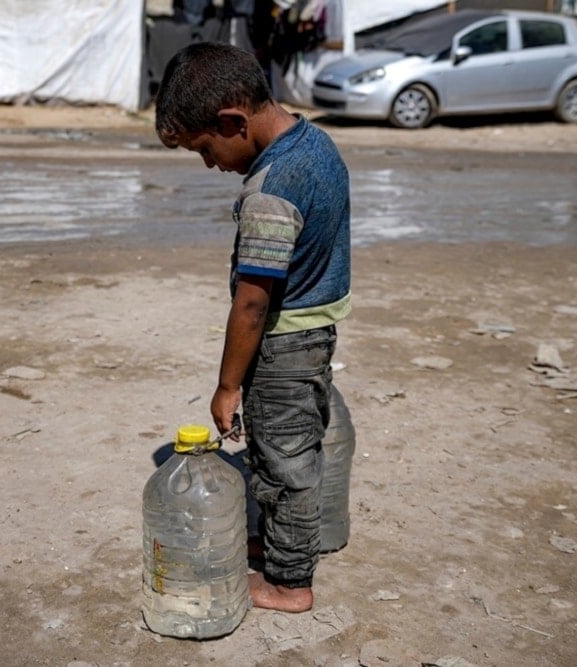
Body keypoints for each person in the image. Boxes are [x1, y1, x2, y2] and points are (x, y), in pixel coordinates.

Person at [154, 42, 351, 613]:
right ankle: (276, 543)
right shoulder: (316, 145)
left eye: (206, 149)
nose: (210, 164)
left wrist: (227, 385)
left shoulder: (270, 191)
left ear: (232, 121)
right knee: (278, 448)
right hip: (315, 330)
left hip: (284, 343)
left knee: (287, 462)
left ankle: (289, 583)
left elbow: (252, 305)